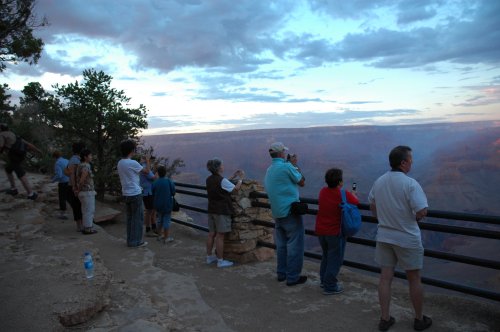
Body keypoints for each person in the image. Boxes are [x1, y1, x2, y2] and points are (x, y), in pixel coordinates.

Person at [368, 146, 432, 331]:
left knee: (385, 278)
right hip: (407, 238)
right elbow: (421, 210)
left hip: (385, 235)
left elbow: (372, 205)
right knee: (414, 279)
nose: (412, 162)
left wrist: (383, 218)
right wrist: (414, 217)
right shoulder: (410, 184)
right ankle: (419, 319)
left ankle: (385, 318)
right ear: (403, 162)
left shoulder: (379, 181)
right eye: (410, 159)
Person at [264, 142, 306, 286]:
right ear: (282, 154)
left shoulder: (269, 169)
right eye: (284, 152)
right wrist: (294, 164)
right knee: (295, 246)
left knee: (281, 246)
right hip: (290, 212)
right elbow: (302, 181)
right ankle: (293, 277)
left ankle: (281, 274)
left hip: (277, 213)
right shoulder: (287, 166)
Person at [315, 168, 359, 295]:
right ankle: (330, 286)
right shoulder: (343, 194)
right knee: (335, 259)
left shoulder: (322, 191)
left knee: (326, 256)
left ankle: (324, 281)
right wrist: (353, 194)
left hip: (321, 231)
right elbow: (355, 202)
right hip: (334, 233)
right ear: (340, 182)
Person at [205, 158, 244, 268]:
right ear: (218, 168)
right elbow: (235, 190)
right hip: (221, 211)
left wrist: (232, 176)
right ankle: (220, 261)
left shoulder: (209, 179)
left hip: (211, 209)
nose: (223, 166)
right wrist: (240, 179)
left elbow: (222, 183)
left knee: (211, 234)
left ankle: (209, 257)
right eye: (222, 165)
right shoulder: (221, 180)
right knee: (220, 236)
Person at [117, 139, 151, 248]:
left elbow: (132, 171)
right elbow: (146, 171)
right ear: (131, 150)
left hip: (126, 193)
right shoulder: (132, 163)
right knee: (138, 218)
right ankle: (137, 242)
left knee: (130, 218)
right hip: (135, 194)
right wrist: (147, 161)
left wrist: (140, 164)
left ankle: (130, 240)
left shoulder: (120, 162)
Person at [0, 123, 40, 200]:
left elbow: (1, 146)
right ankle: (13, 189)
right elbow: (28, 144)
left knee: (21, 174)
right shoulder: (13, 134)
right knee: (8, 169)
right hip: (20, 155)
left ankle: (31, 194)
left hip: (13, 156)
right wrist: (38, 150)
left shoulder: (1, 135)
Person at [75, 149, 97, 234]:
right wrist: (79, 189)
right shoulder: (86, 166)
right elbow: (82, 180)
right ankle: (88, 228)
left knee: (85, 210)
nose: (91, 157)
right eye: (90, 155)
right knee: (89, 210)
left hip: (83, 192)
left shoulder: (80, 165)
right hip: (87, 191)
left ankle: (87, 227)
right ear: (85, 157)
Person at [152, 165, 175, 244]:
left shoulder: (155, 182)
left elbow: (153, 191)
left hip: (158, 204)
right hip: (167, 204)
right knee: (166, 220)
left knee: (159, 220)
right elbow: (173, 192)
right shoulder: (169, 181)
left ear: (158, 173)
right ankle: (166, 237)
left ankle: (159, 236)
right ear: (165, 173)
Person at [65, 142, 84, 232]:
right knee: (77, 206)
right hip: (74, 186)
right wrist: (74, 187)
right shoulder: (75, 160)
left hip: (74, 185)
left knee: (78, 205)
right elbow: (72, 174)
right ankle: (79, 226)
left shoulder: (74, 159)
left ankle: (81, 225)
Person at [140, 155, 158, 237]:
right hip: (147, 193)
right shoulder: (144, 167)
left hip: (149, 192)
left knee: (153, 210)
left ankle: (154, 227)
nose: (151, 161)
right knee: (149, 211)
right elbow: (153, 177)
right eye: (150, 160)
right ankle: (148, 229)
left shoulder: (146, 167)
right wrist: (158, 173)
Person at [51, 151, 69, 219]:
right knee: (69, 197)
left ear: (54, 157)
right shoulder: (67, 160)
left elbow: (59, 175)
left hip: (63, 183)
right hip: (70, 181)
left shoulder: (57, 163)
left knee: (62, 198)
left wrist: (53, 180)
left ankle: (63, 214)